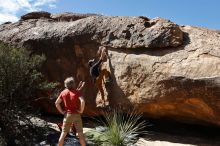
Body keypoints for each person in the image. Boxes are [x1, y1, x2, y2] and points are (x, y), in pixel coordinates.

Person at [55, 77, 86, 146]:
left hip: (67, 115)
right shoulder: (77, 92)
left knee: (63, 133)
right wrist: (81, 110)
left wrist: (62, 112)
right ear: (73, 84)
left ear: (65, 84)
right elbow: (82, 101)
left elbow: (56, 103)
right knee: (80, 134)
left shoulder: (63, 92)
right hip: (76, 115)